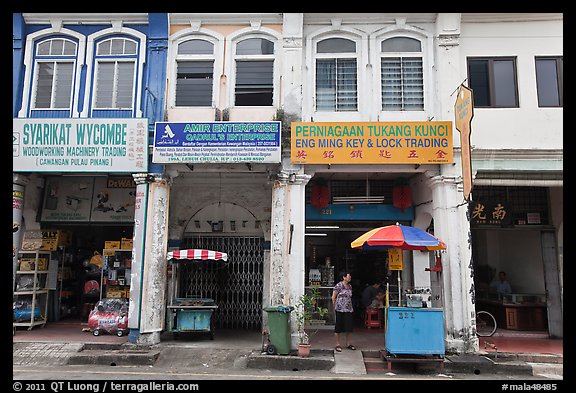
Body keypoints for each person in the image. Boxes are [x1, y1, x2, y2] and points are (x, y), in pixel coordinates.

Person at [332, 271, 355, 352]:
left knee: (349, 327)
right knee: (338, 327)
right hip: (339, 309)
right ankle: (337, 344)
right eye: (348, 276)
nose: (350, 277)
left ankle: (348, 344)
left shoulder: (350, 286)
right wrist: (335, 306)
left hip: (348, 309)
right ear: (344, 277)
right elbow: (333, 297)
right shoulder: (338, 285)